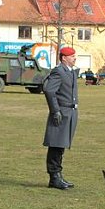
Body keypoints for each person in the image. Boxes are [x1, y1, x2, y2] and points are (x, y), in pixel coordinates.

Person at [43, 46, 79, 190]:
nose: (74, 58)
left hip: (70, 112)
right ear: (64, 58)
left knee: (61, 145)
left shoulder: (70, 72)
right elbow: (49, 90)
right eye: (72, 56)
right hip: (61, 112)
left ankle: (58, 175)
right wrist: (55, 110)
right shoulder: (59, 71)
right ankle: (54, 177)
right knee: (56, 145)